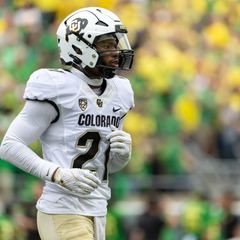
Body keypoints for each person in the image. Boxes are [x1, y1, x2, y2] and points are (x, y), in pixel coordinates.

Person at [0, 7, 134, 240]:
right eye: (106, 45)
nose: (116, 52)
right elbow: (10, 145)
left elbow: (100, 165)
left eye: (116, 43)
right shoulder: (56, 86)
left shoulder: (120, 91)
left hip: (98, 209)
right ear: (80, 47)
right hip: (62, 209)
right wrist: (57, 173)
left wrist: (121, 157)